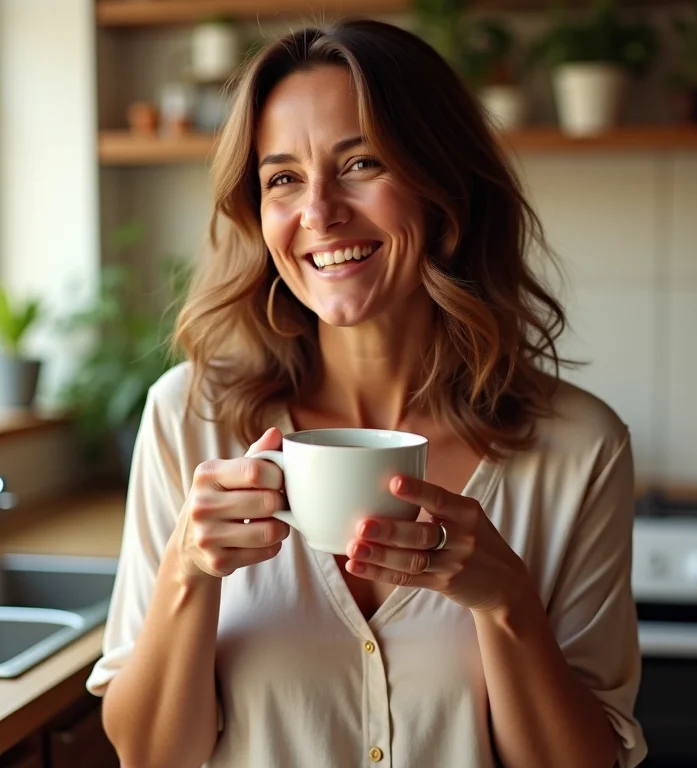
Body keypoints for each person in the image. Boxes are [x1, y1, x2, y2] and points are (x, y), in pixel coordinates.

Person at [86, 18, 646, 768]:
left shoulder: (579, 448)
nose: (319, 212)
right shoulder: (188, 419)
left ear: (445, 187)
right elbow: (151, 757)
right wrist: (188, 572)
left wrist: (507, 602)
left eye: (361, 164)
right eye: (283, 177)